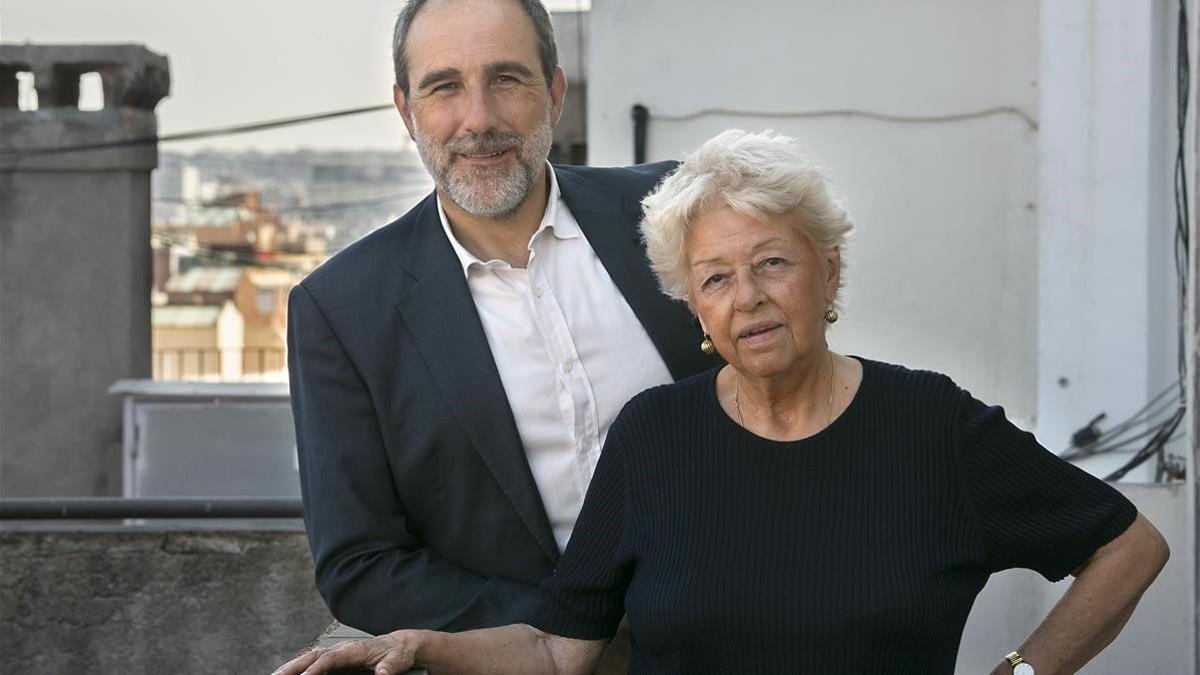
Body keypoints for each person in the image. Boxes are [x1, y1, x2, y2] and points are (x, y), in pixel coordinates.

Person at [276, 129, 1170, 675]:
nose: (747, 296)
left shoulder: (930, 426)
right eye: (716, 277)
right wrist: (422, 644)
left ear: (828, 272)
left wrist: (1019, 668)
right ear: (694, 305)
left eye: (773, 262)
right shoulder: (656, 436)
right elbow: (559, 648)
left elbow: (1130, 544)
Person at [286, 0, 716, 643]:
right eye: (444, 87)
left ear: (556, 92)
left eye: (507, 80)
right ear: (407, 111)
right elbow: (359, 566)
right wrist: (577, 630)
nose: (478, 119)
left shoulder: (669, 212)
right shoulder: (341, 309)